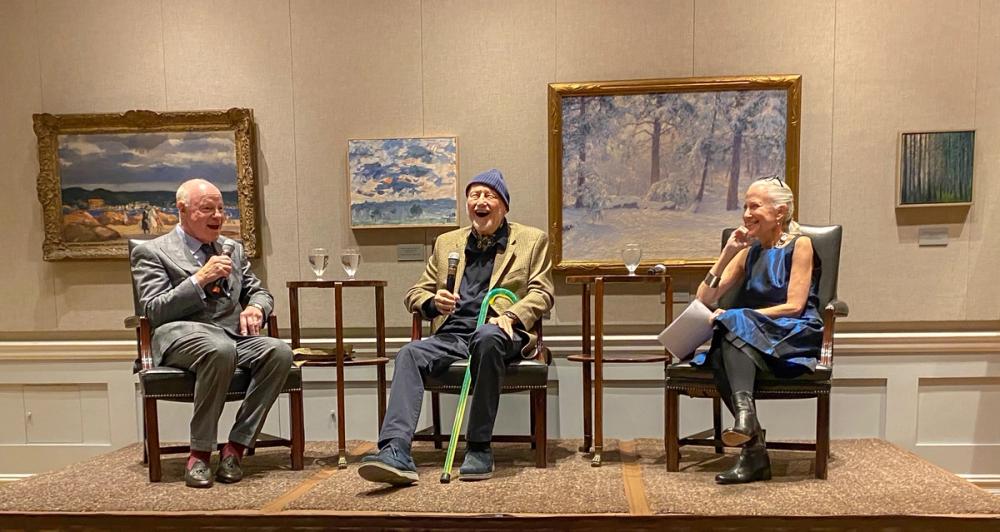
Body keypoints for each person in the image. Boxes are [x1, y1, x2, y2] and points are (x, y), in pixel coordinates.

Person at [358, 168, 554, 486]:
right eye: (474, 195)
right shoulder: (447, 243)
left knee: (487, 337)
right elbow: (414, 293)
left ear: (503, 205)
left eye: (488, 195)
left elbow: (542, 292)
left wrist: (513, 316)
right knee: (409, 353)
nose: (480, 201)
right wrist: (434, 302)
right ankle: (396, 451)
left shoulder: (532, 240)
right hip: (452, 333)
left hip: (500, 331)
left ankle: (478, 447)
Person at [130, 178, 292, 488]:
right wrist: (198, 280)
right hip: (180, 336)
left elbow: (259, 292)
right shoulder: (153, 252)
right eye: (207, 209)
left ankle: (236, 447)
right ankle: (200, 453)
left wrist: (256, 308)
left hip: (230, 337)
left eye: (221, 208)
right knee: (219, 349)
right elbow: (153, 309)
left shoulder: (232, 249)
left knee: (278, 352)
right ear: (182, 210)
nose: (217, 215)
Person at [694, 176, 823, 485]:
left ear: (780, 212)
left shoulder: (801, 245)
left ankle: (751, 446)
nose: (746, 213)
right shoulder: (748, 252)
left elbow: (794, 305)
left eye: (755, 206)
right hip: (752, 335)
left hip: (792, 332)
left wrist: (741, 315)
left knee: (729, 325)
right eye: (745, 206)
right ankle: (748, 429)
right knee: (728, 331)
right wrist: (727, 252)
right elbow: (704, 298)